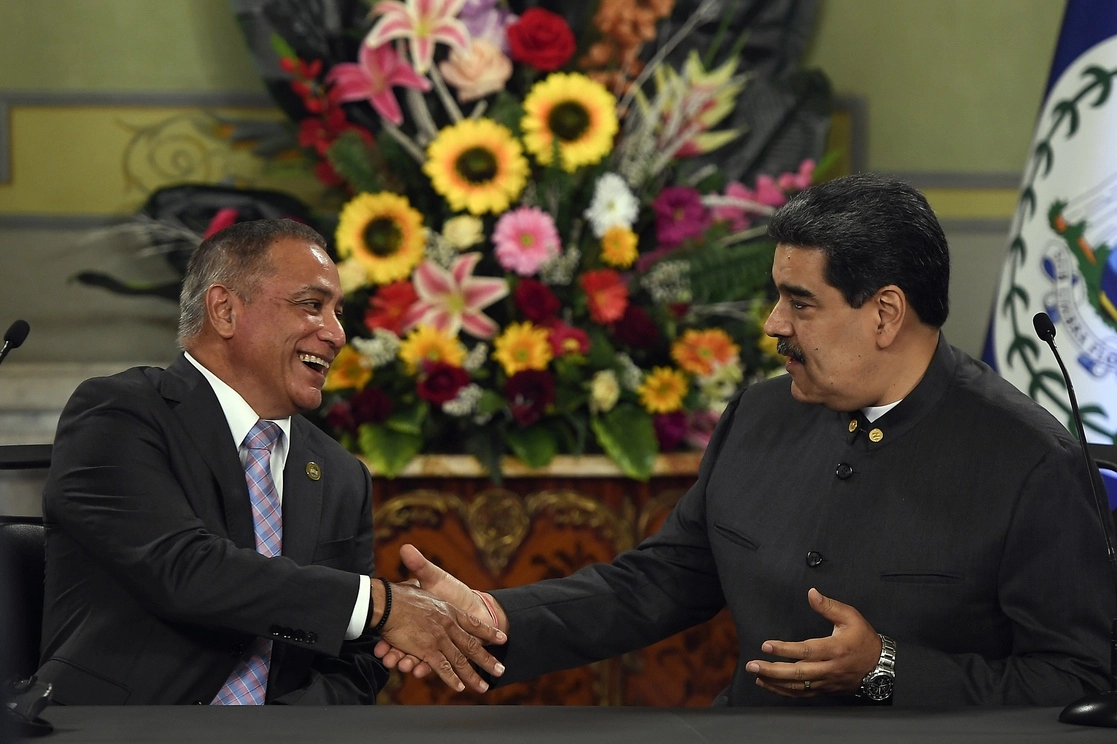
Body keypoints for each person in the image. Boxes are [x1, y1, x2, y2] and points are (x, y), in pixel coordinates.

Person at [377, 173, 1115, 707]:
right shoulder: (761, 415)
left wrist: (888, 667)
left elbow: (1079, 680)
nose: (772, 325)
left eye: (800, 303)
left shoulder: (1031, 464)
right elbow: (660, 582)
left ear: (884, 314)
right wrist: (497, 615)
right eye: (776, 296)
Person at [37, 219, 505, 705]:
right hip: (123, 732)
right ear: (224, 311)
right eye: (311, 305)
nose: (337, 334)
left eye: (338, 313)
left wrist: (281, 730)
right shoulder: (120, 414)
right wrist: (380, 603)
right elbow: (185, 571)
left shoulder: (341, 474)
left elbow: (357, 659)